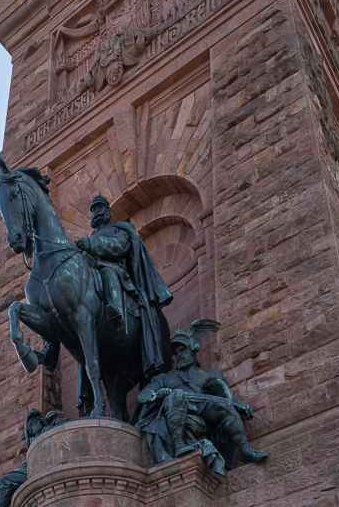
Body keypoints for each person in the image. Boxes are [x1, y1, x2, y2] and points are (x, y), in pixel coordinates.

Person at [134, 327, 266, 472]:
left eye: (183, 350)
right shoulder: (165, 378)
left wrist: (241, 406)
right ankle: (179, 445)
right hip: (177, 407)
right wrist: (157, 395)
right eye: (177, 352)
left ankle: (245, 450)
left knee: (225, 405)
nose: (179, 355)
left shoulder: (208, 374)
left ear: (192, 351)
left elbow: (226, 396)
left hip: (202, 409)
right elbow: (143, 395)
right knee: (177, 394)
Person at [75, 195, 174, 378]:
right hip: (93, 277)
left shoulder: (120, 229)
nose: (97, 212)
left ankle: (116, 310)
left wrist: (91, 244)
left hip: (118, 274)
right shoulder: (89, 239)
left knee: (107, 273)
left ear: (108, 211)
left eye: (100, 208)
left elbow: (118, 246)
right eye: (94, 210)